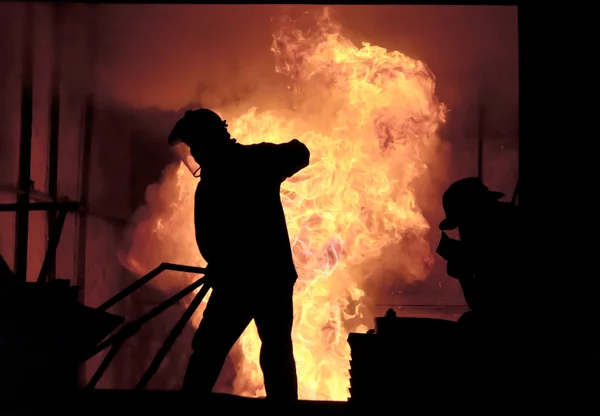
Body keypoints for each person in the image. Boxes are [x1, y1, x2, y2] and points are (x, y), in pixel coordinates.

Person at [167, 109, 310, 401]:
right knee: (275, 348)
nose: (194, 154)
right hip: (269, 278)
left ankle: (188, 411)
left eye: (195, 145)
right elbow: (300, 152)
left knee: (210, 349)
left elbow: (300, 153)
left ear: (210, 140)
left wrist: (221, 265)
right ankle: (287, 414)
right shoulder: (253, 162)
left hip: (239, 282)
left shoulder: (236, 169)